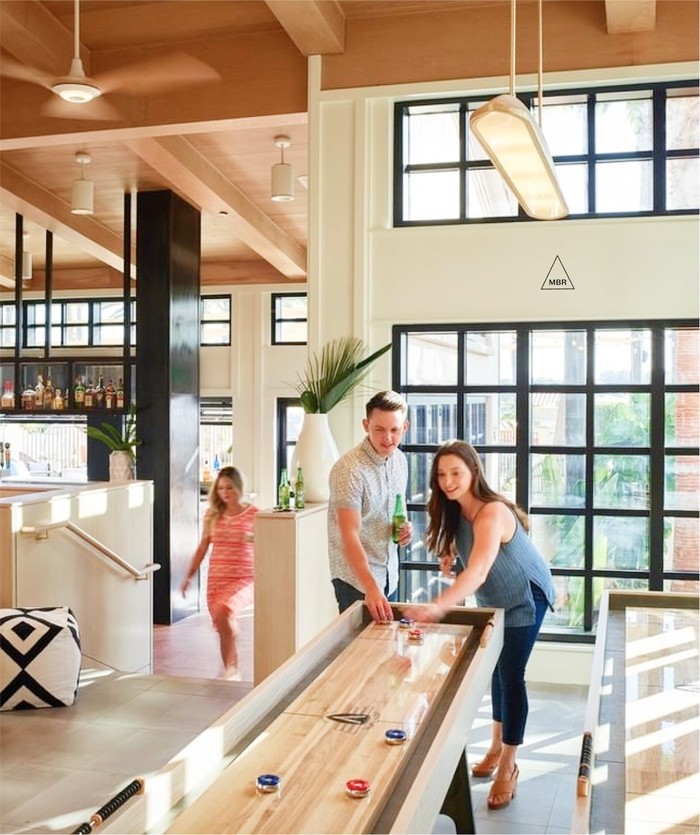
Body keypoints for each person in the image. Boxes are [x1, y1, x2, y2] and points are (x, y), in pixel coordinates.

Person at [406, 440, 555, 811]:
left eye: (456, 472)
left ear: (474, 472)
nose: (448, 481)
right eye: (441, 475)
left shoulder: (492, 512)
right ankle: (494, 746)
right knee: (495, 673)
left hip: (525, 596)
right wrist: (448, 555)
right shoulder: (457, 513)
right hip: (493, 599)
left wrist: (439, 605)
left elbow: (480, 568)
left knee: (511, 674)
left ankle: (508, 764)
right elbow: (465, 556)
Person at [328, 390, 413, 622]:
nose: (388, 438)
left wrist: (404, 532)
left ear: (405, 427)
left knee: (386, 650)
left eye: (394, 430)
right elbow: (349, 535)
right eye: (379, 429)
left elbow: (396, 516)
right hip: (356, 581)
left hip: (389, 574)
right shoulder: (349, 470)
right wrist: (371, 587)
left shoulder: (400, 461)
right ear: (366, 425)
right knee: (358, 654)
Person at [181, 466, 259, 680]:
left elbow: (268, 544)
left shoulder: (254, 514)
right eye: (221, 488)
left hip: (244, 578)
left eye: (230, 488)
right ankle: (231, 671)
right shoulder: (212, 514)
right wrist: (189, 576)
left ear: (239, 488)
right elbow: (203, 547)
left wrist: (253, 540)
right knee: (224, 625)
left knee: (226, 612)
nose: (225, 492)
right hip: (216, 580)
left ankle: (233, 667)